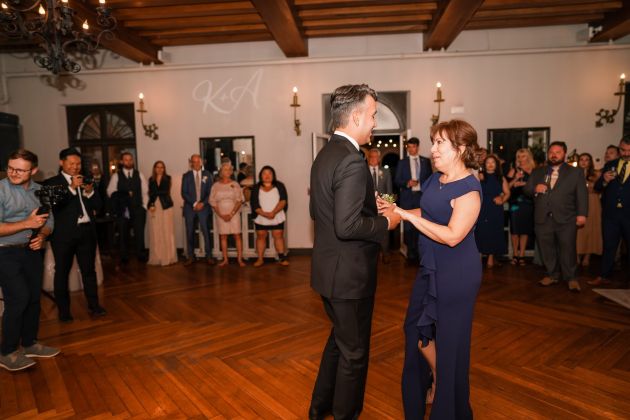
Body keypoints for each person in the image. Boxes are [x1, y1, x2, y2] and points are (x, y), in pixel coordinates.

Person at [378, 119, 482, 419]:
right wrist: (394, 212)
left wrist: (406, 216)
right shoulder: (436, 179)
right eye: (433, 142)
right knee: (415, 329)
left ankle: (451, 406)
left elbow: (452, 235)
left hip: (457, 274)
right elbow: (428, 211)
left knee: (450, 344)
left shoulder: (469, 190)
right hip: (430, 267)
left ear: (460, 149)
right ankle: (437, 378)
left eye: (439, 143)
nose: (433, 149)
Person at [309, 84, 400, 420]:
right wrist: (386, 222)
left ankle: (319, 409)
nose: (375, 123)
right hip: (349, 277)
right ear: (357, 116)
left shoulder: (326, 154)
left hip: (330, 273)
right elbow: (346, 226)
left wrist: (367, 206)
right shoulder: (351, 160)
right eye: (373, 115)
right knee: (354, 353)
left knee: (340, 342)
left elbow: (319, 210)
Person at [0, 149, 60, 371]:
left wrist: (42, 235)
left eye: (20, 170)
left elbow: (49, 220)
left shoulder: (40, 190)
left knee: (34, 298)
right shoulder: (1, 190)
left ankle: (29, 343)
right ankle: (7, 352)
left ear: (34, 171)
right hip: (4, 252)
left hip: (32, 251)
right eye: (10, 168)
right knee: (18, 298)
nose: (13, 173)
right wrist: (27, 223)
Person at [44, 148, 106, 322]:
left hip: (86, 232)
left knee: (89, 271)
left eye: (78, 163)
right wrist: (71, 188)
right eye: (71, 163)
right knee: (62, 273)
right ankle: (64, 312)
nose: (75, 167)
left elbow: (99, 206)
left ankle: (94, 306)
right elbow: (54, 205)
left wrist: (90, 192)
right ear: (61, 162)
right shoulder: (52, 183)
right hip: (63, 236)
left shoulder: (86, 179)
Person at [524, 141, 588, 292]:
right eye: (551, 152)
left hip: (567, 218)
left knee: (568, 249)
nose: (554, 155)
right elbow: (527, 190)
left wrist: (582, 214)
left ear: (564, 154)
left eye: (557, 152)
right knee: (547, 249)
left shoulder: (575, 172)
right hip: (543, 218)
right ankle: (552, 275)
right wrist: (535, 188)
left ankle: (571, 278)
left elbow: (582, 195)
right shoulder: (538, 172)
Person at [590, 136, 630, 286]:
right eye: (623, 150)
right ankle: (604, 275)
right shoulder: (610, 164)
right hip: (611, 215)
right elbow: (597, 187)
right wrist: (604, 180)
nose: (626, 154)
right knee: (608, 246)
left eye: (629, 151)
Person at [394, 137, 432, 264]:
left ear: (417, 147)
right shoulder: (402, 162)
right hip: (408, 198)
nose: (411, 149)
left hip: (422, 198)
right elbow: (397, 180)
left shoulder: (426, 161)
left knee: (422, 226)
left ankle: (422, 255)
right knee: (409, 228)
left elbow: (430, 179)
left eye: (413, 147)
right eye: (409, 147)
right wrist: (407, 183)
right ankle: (411, 255)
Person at [107, 152, 148, 263]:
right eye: (126, 159)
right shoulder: (116, 176)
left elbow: (145, 191)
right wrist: (122, 195)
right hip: (123, 210)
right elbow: (110, 192)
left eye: (130, 159)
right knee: (123, 233)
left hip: (138, 209)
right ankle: (124, 256)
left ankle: (141, 255)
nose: (128, 162)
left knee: (139, 233)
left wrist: (144, 206)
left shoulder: (139, 174)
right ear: (121, 161)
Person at [250, 165, 289, 267]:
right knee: (261, 236)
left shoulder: (280, 185)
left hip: (276, 215)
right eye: (264, 173)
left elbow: (283, 201)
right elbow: (254, 204)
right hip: (261, 216)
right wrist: (265, 214)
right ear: (260, 175)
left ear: (273, 175)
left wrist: (273, 213)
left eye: (269, 173)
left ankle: (281, 258)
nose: (267, 175)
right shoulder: (256, 187)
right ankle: (260, 259)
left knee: (278, 235)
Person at [476, 154, 510, 268]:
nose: (490, 164)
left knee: (494, 231)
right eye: (488, 162)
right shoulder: (479, 176)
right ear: (484, 165)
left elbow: (507, 193)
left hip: (495, 208)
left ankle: (490, 258)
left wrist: (502, 199)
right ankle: (478, 258)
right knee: (480, 231)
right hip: (481, 207)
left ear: (496, 165)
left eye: (493, 162)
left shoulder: (501, 178)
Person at [209, 162, 245, 267]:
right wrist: (221, 215)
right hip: (220, 214)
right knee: (223, 236)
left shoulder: (235, 184)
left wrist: (231, 214)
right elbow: (212, 201)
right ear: (221, 172)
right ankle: (225, 259)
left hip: (234, 213)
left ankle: (240, 259)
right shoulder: (215, 185)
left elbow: (239, 200)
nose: (228, 171)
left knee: (237, 235)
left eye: (229, 169)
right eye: (225, 169)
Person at [181, 154, 213, 266]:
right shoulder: (186, 176)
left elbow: (211, 192)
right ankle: (191, 256)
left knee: (206, 232)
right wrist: (195, 203)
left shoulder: (207, 174)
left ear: (201, 162)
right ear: (191, 163)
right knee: (190, 232)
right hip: (190, 208)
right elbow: (184, 192)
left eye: (198, 161)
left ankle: (209, 256)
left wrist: (202, 203)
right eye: (194, 162)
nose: (196, 164)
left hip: (204, 208)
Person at [506, 148, 536, 265]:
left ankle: (522, 254)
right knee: (515, 230)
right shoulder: (513, 170)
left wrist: (526, 184)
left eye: (523, 156)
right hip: (515, 204)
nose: (521, 159)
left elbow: (538, 186)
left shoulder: (534, 170)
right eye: (519, 156)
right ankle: (515, 254)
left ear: (528, 157)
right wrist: (515, 179)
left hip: (528, 203)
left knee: (525, 230)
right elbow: (506, 187)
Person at [147, 161, 178, 266]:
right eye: (157, 167)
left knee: (167, 230)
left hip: (166, 206)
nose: (160, 169)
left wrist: (153, 193)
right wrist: (152, 198)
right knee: (155, 231)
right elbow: (151, 194)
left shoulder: (168, 178)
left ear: (164, 169)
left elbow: (165, 191)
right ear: (154, 168)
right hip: (153, 207)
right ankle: (157, 257)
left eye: (162, 167)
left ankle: (168, 257)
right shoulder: (150, 179)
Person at [575, 153, 602, 267]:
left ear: (590, 162)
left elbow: (600, 188)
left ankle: (587, 256)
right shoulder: (574, 173)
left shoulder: (597, 174)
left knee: (591, 229)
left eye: (587, 160)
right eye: (581, 159)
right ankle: (577, 255)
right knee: (578, 231)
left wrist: (591, 188)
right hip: (578, 202)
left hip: (593, 202)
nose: (584, 162)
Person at [367, 148, 393, 263]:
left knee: (384, 230)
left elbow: (389, 190)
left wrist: (388, 206)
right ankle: (372, 255)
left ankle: (385, 253)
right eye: (371, 157)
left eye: (375, 157)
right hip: (367, 208)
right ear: (368, 158)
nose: (373, 159)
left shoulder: (385, 172)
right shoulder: (363, 171)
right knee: (370, 231)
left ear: (379, 159)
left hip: (382, 207)